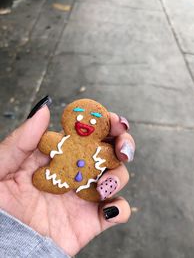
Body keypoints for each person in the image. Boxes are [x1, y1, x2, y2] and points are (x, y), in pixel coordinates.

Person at [0, 96, 135, 257]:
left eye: (93, 122)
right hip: (56, 178)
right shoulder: (61, 142)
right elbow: (46, 142)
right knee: (46, 179)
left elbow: (112, 158)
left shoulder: (101, 150)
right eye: (78, 117)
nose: (84, 123)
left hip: (87, 186)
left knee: (94, 191)